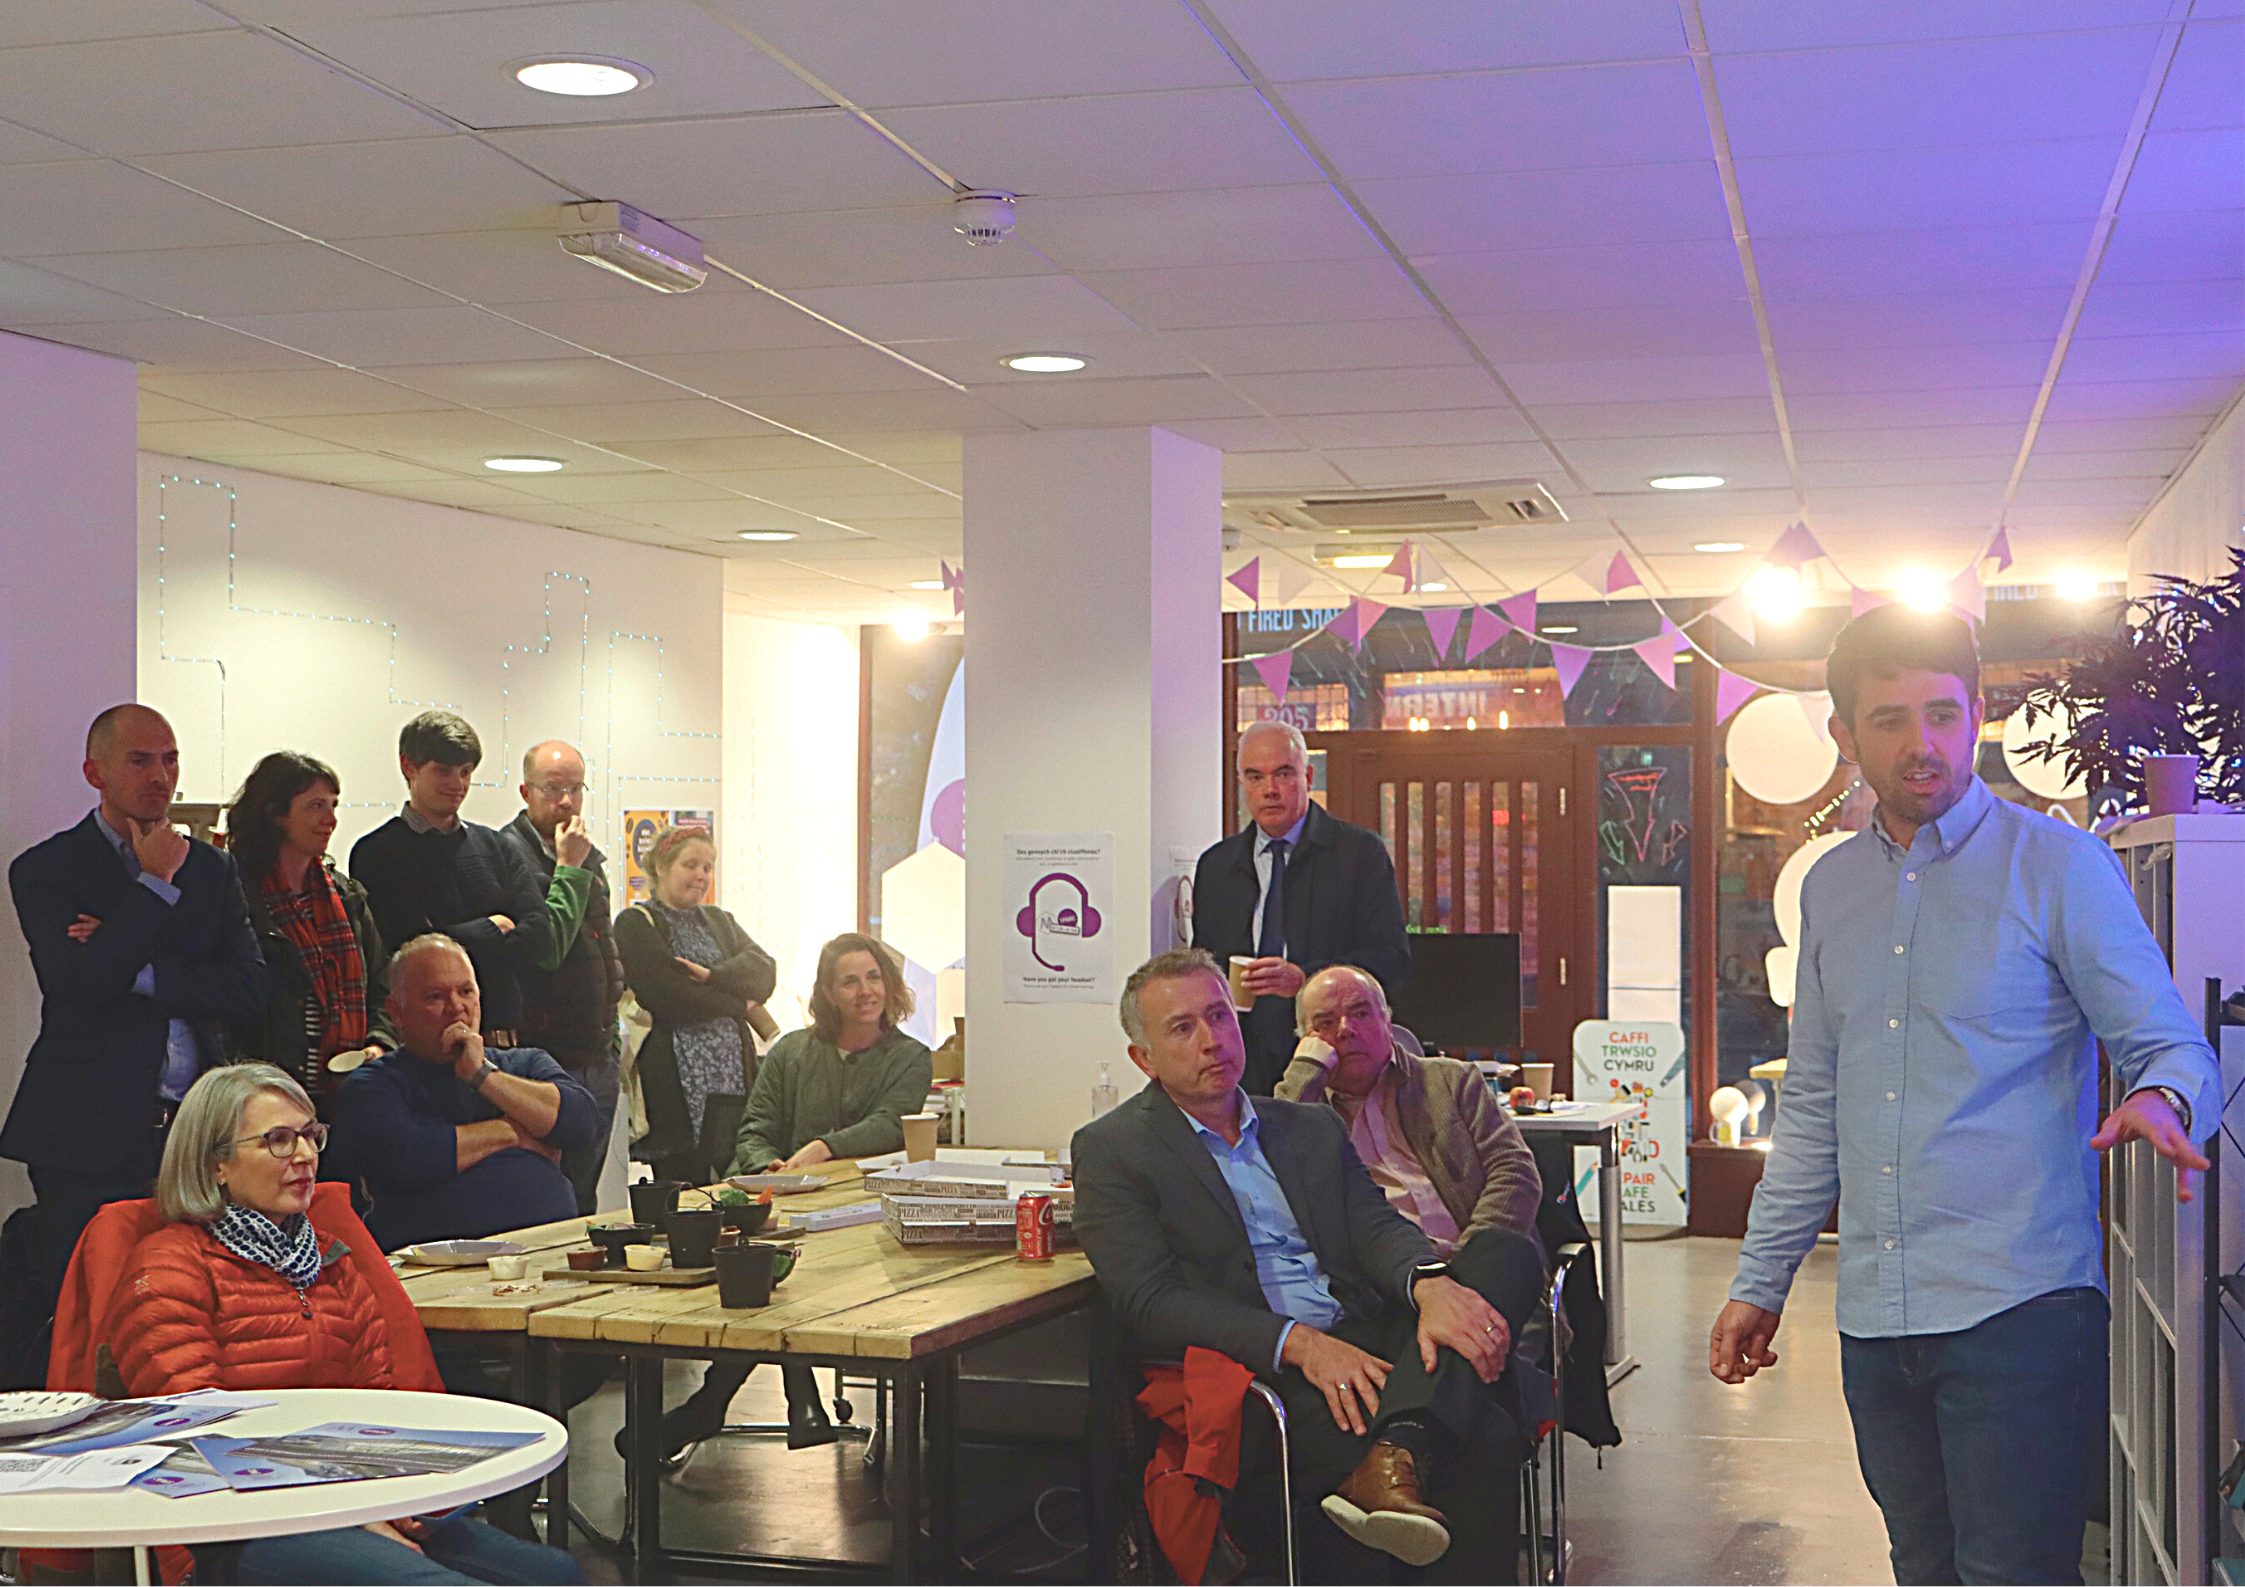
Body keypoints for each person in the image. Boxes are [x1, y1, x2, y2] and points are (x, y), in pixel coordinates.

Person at [1709, 606, 2220, 1587]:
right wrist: (1758, 1282)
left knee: (2014, 1577)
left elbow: (2169, 1044)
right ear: (1843, 737)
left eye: (1943, 713)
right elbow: (1812, 1105)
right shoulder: (1831, 892)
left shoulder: (2058, 865)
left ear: (1976, 712)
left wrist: (2161, 1099)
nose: (1922, 743)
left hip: (2018, 1311)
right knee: (1922, 1568)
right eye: (1890, 719)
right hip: (1873, 1318)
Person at [1073, 948, 1542, 1581]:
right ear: (1144, 1058)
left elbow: (1374, 1227)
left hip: (1364, 1326)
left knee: (1507, 1253)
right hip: (1262, 1364)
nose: (1212, 1039)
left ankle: (1396, 1448)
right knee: (1482, 1435)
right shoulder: (1113, 1149)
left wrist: (1429, 1286)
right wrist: (1300, 1345)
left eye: (1219, 1015)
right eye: (1183, 1027)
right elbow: (1150, 1303)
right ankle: (1400, 1447)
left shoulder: (1306, 1125)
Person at [104, 1062, 582, 1585]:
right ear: (216, 1163)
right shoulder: (168, 1267)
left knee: (555, 1574)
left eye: (311, 1136)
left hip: (346, 1498)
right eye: (279, 1141)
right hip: (228, 1527)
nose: (306, 1156)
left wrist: (392, 1500)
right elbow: (197, 1432)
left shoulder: (328, 1259)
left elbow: (376, 1405)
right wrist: (351, 1515)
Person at [618, 932, 937, 1458]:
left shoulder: (910, 1057)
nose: (865, 991)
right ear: (828, 993)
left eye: (874, 977)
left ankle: (723, 1404)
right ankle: (793, 1402)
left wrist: (822, 1148)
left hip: (863, 1220)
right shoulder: (791, 1050)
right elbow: (755, 1127)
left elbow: (889, 1126)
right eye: (850, 981)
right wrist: (763, 1168)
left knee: (774, 1283)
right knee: (764, 1274)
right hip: (782, 1209)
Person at [2, 704, 267, 1312]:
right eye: (140, 760)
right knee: (95, 1311)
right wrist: (153, 886)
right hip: (88, 1131)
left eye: (170, 759)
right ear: (96, 773)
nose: (160, 776)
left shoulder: (212, 868)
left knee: (195, 1303)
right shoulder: (47, 870)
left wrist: (136, 964)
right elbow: (80, 987)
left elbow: (250, 988)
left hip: (194, 1131)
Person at [331, 935, 599, 1254]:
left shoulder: (526, 1063)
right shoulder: (372, 1084)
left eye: (466, 991)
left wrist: (481, 1075)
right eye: (435, 997)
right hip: (432, 1270)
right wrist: (510, 1132)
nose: (457, 1008)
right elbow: (408, 1156)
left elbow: (581, 1123)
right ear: (397, 1012)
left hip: (549, 1253)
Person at [1192, 720, 1411, 1094]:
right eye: (1255, 777)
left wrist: (1306, 979)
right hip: (1243, 1057)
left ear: (1308, 776)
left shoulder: (1358, 854)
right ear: (1241, 784)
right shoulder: (1217, 866)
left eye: (1283, 774)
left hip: (1336, 1055)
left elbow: (1391, 959)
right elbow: (1204, 964)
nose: (1270, 790)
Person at [1277, 964, 1541, 1253]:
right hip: (1382, 1280)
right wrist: (1304, 1073)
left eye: (1361, 1014)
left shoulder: (1453, 1081)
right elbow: (1273, 1177)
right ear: (1305, 1041)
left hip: (1482, 1261)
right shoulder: (1307, 1111)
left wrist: (1472, 1258)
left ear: (1387, 1022)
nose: (1345, 1030)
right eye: (1325, 1023)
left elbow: (1515, 1172)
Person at [349, 711, 549, 1046]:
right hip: (427, 1050)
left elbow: (540, 937)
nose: (457, 784)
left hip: (504, 1043)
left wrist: (451, 934)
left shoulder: (496, 846)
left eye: (465, 772)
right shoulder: (377, 853)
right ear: (408, 766)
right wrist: (494, 928)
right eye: (443, 770)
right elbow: (411, 952)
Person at [222, 751, 395, 1116]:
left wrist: (378, 1044)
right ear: (276, 813)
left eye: (333, 805)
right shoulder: (237, 894)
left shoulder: (347, 897)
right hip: (264, 1090)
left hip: (345, 1093)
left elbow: (383, 986)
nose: (330, 819)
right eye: (316, 806)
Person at [613, 825, 776, 1185]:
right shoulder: (635, 924)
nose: (701, 876)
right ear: (660, 867)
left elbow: (764, 973)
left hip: (733, 1086)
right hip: (674, 1094)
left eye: (708, 867)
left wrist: (709, 974)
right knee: (684, 1197)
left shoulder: (720, 920)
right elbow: (669, 998)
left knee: (737, 1188)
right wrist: (738, 1004)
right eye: (691, 865)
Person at [501, 741, 624, 1215]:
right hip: (545, 1056)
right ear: (526, 791)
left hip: (597, 1053)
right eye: (554, 789)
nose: (567, 801)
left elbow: (602, 951)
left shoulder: (586, 855)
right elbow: (546, 951)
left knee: (585, 1193)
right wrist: (569, 867)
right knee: (550, 1196)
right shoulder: (507, 854)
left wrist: (612, 1041)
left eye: (576, 788)